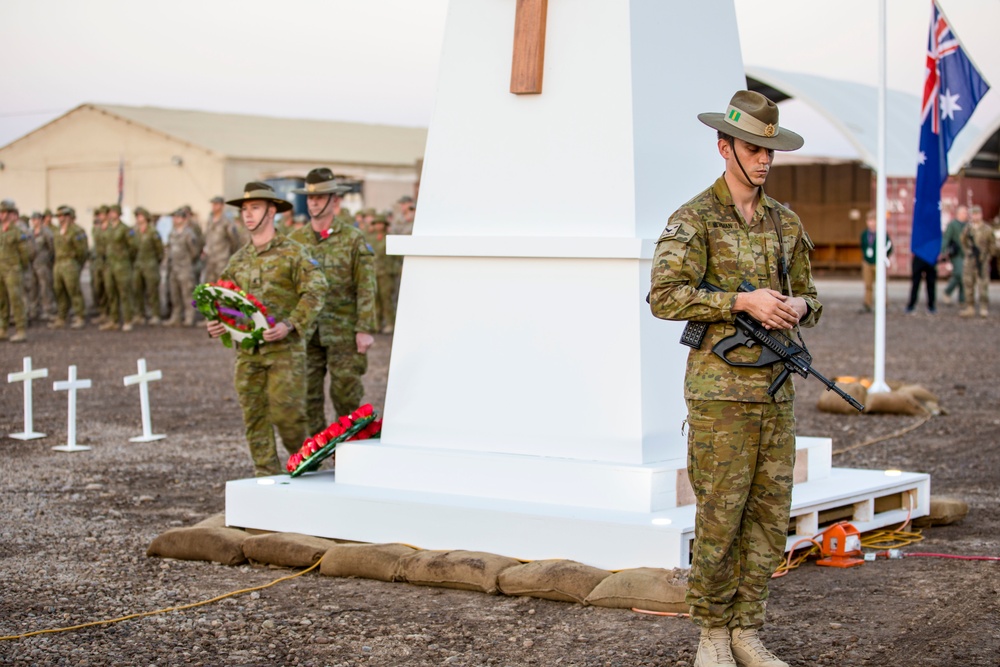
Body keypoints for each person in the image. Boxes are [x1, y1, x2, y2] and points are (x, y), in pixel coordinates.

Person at [649, 91, 821, 667]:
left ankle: (747, 628)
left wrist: (796, 308)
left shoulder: (785, 223)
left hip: (775, 391)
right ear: (724, 147)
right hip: (720, 394)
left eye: (771, 150)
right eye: (753, 148)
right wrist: (740, 301)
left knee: (770, 516)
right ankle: (712, 635)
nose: (765, 160)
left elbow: (812, 297)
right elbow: (664, 297)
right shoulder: (693, 218)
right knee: (720, 514)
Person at [206, 182, 326, 476]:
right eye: (245, 209)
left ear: (272, 211)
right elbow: (223, 299)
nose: (248, 215)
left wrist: (290, 324)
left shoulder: (293, 253)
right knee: (254, 416)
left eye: (255, 208)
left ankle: (308, 470)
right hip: (248, 353)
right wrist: (216, 322)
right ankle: (266, 479)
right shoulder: (238, 259)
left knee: (287, 416)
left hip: (284, 352)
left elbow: (316, 291)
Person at [289, 168, 378, 436]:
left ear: (335, 201)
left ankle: (349, 456)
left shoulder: (353, 239)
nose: (313, 202)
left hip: (343, 333)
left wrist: (364, 328)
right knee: (307, 396)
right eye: (310, 197)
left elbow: (366, 286)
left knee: (346, 396)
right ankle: (312, 457)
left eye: (321, 197)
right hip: (307, 332)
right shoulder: (295, 242)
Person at [49, 205, 89, 329]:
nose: (61, 219)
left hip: (70, 263)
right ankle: (62, 316)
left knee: (74, 290)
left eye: (63, 216)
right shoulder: (57, 231)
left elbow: (82, 251)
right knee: (59, 290)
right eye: (59, 216)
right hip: (58, 264)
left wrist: (77, 264)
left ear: (70, 217)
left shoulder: (77, 231)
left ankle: (80, 316)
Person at [0, 199, 33, 342]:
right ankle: (3, 328)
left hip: (13, 270)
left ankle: (21, 330)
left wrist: (20, 267)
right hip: (1, 268)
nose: (2, 215)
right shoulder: (1, 230)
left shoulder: (18, 232)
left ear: (10, 214)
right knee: (2, 301)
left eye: (4, 212)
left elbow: (25, 253)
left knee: (16, 300)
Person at [100, 204, 136, 331]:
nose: (111, 215)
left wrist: (125, 258)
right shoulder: (107, 229)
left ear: (119, 214)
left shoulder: (125, 229)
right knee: (111, 292)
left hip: (122, 265)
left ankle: (127, 320)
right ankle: (114, 320)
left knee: (124, 293)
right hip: (110, 265)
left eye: (114, 212)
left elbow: (133, 247)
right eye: (110, 212)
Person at [165, 207, 202, 327]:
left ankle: (189, 317)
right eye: (174, 217)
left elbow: (194, 252)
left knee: (187, 294)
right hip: (174, 268)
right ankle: (176, 317)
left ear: (183, 219)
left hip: (185, 269)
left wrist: (186, 262)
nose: (175, 220)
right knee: (174, 294)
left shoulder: (189, 233)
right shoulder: (172, 233)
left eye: (177, 217)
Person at [958, 205, 996, 318]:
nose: (976, 216)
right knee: (968, 283)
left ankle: (983, 307)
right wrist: (967, 252)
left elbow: (992, 244)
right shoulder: (967, 229)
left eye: (977, 214)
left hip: (982, 261)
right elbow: (963, 241)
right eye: (973, 214)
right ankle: (970, 307)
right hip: (970, 261)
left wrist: (988, 256)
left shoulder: (987, 229)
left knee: (983, 285)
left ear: (981, 215)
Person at [132, 207, 164, 325]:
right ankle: (139, 314)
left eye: (140, 216)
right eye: (137, 216)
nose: (138, 218)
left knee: (152, 290)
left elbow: (159, 251)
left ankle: (155, 314)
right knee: (137, 290)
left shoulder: (153, 232)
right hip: (138, 264)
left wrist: (155, 262)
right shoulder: (134, 231)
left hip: (150, 264)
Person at [201, 195, 243, 284]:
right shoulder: (210, 221)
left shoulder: (227, 222)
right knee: (210, 287)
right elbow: (206, 238)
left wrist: (229, 255)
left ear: (222, 205)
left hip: (222, 261)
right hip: (210, 261)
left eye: (216, 204)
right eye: (213, 204)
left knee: (222, 286)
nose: (214, 206)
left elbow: (234, 241)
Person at [859, 209, 892, 313]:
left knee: (881, 285)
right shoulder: (864, 234)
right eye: (870, 220)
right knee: (868, 285)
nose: (872, 223)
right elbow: (863, 246)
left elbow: (889, 247)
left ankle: (883, 304)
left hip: (879, 263)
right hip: (867, 262)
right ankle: (867, 304)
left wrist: (883, 257)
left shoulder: (882, 234)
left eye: (874, 220)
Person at [27, 211, 56, 322]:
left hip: (43, 264)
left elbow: (51, 248)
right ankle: (34, 309)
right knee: (33, 288)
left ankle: (48, 309)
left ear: (40, 220)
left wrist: (48, 259)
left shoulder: (46, 232)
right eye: (33, 219)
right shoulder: (30, 232)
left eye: (36, 219)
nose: (34, 221)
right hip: (32, 264)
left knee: (45, 287)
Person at [940, 205, 968, 306]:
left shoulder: (967, 225)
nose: (966, 214)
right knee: (959, 273)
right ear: (958, 214)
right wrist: (943, 250)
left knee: (964, 276)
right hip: (956, 253)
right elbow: (946, 237)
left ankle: (962, 299)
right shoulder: (953, 224)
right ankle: (947, 291)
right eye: (964, 212)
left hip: (966, 254)